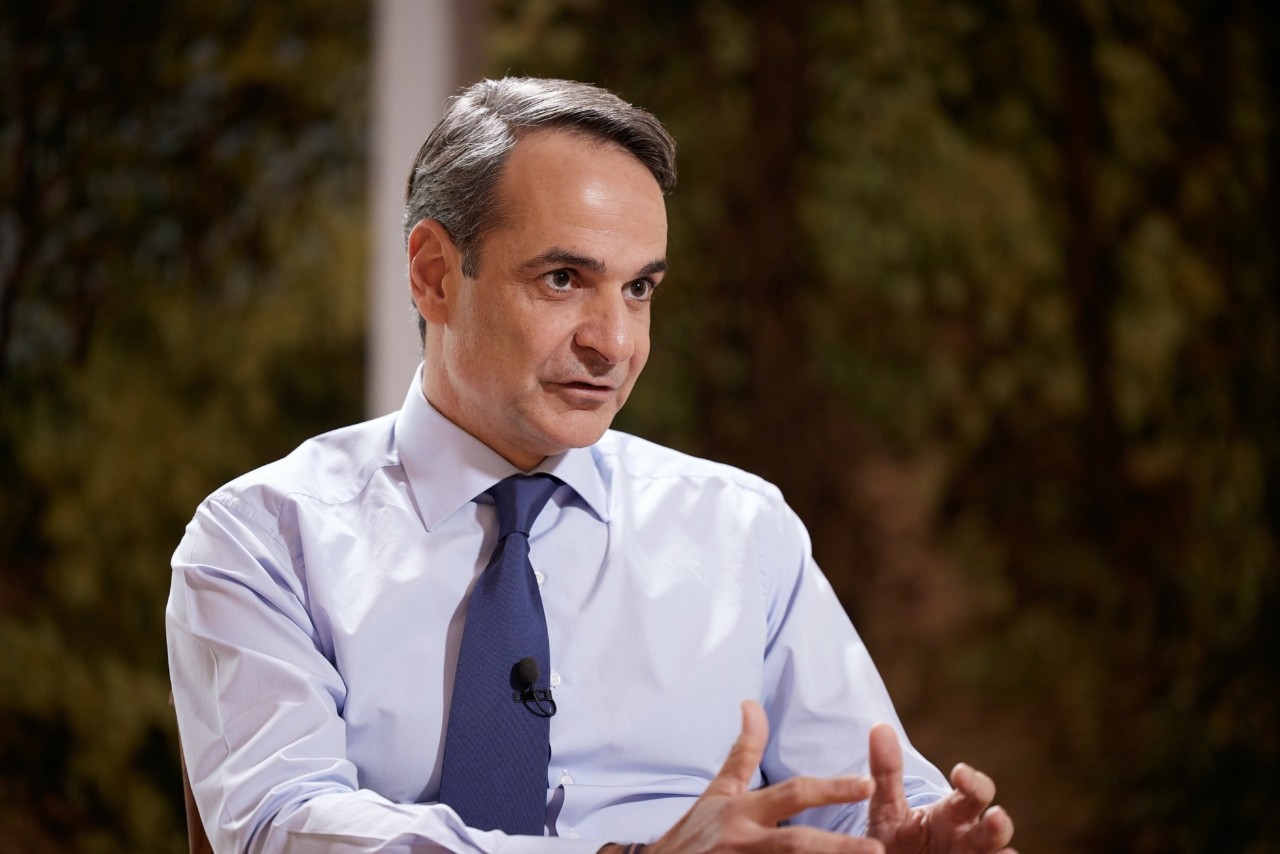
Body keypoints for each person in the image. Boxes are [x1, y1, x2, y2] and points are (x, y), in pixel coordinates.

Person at [167, 77, 1016, 854]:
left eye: (639, 289)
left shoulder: (743, 530)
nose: (613, 343)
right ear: (434, 276)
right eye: (564, 278)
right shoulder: (265, 538)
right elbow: (281, 825)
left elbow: (854, 799)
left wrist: (906, 837)